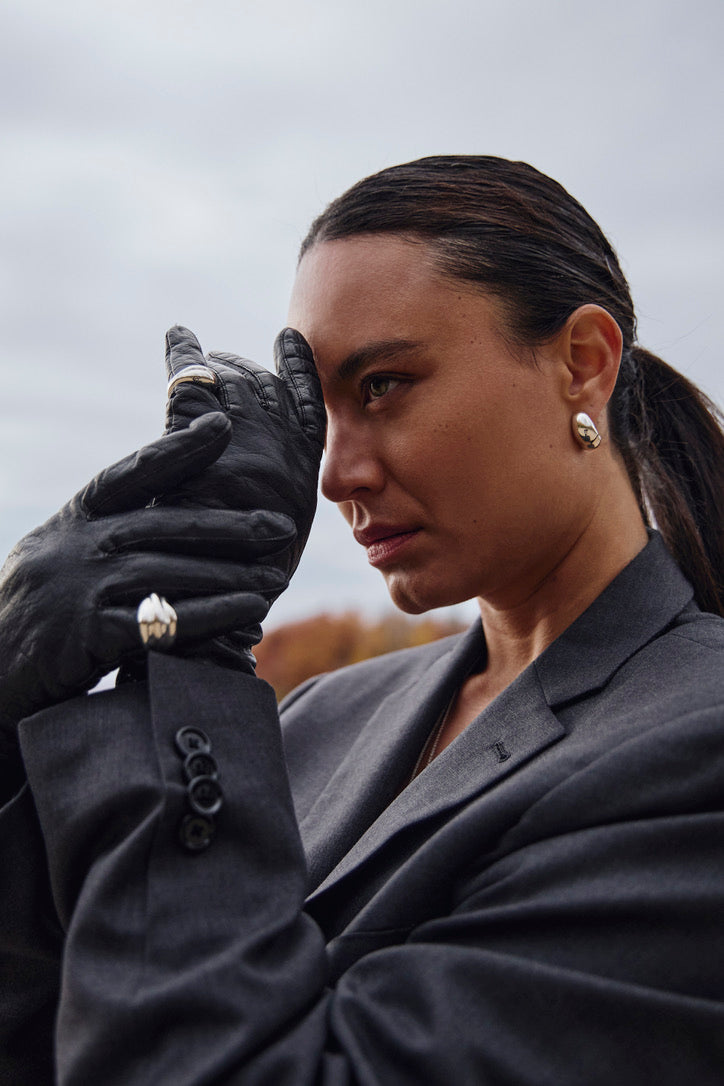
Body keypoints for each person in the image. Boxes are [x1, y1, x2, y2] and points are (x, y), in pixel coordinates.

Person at [2, 156, 724, 1084]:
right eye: (318, 412)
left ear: (581, 363)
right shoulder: (317, 719)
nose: (335, 473)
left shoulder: (696, 751)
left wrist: (189, 660)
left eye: (381, 386)